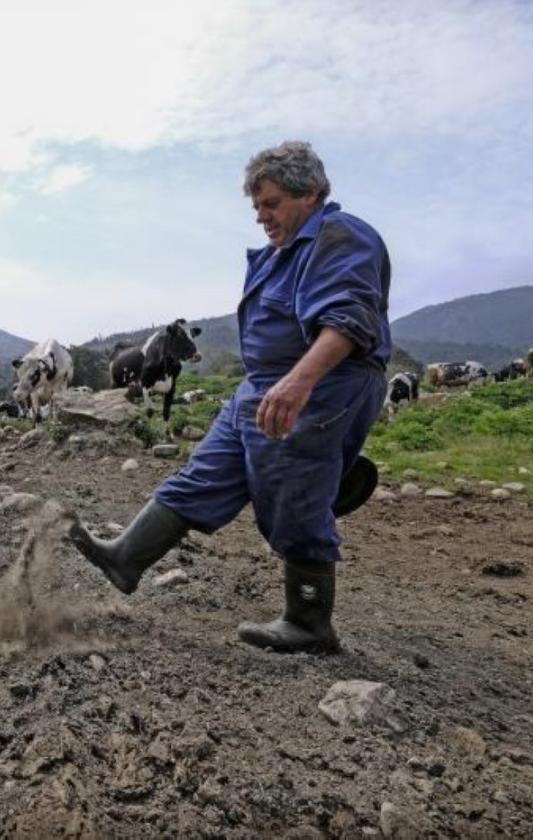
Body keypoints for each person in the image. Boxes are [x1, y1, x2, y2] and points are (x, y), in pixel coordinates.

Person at [67, 141, 391, 654]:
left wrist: (300, 381)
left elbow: (350, 319)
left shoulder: (339, 237)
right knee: (205, 472)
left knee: (294, 493)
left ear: (310, 193)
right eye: (257, 207)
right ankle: (126, 557)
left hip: (317, 387)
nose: (262, 216)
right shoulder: (278, 254)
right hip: (262, 387)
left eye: (272, 203)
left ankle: (309, 621)